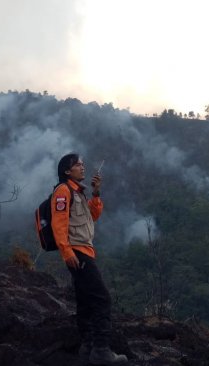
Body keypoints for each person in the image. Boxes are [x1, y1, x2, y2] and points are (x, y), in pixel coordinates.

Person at [51, 153, 128, 365]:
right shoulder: (63, 191)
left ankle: (86, 350)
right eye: (78, 165)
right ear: (67, 171)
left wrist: (96, 193)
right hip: (78, 252)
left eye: (83, 165)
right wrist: (67, 253)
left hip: (84, 251)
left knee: (85, 302)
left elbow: (92, 217)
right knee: (102, 299)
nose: (82, 168)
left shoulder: (79, 193)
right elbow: (59, 225)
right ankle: (101, 351)